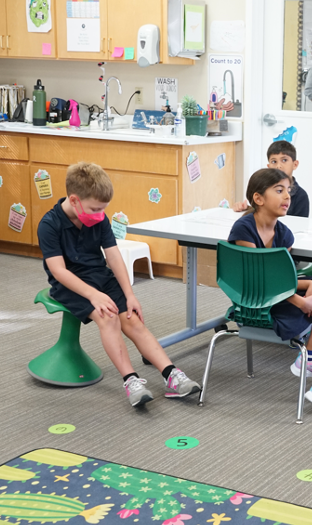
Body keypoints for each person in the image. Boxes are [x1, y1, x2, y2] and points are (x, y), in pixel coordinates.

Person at [37, 162, 202, 407]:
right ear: (74, 201)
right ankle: (131, 381)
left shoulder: (99, 218)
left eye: (103, 209)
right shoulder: (49, 224)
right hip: (69, 284)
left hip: (99, 276)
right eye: (94, 208)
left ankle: (171, 375)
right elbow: (59, 271)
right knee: (109, 317)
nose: (99, 214)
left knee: (132, 318)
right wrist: (94, 296)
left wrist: (130, 294)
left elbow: (113, 256)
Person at [228, 169, 312, 414]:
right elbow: (259, 281)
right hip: (258, 303)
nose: (287, 197)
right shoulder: (244, 230)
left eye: (288, 191)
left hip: (278, 294)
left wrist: (310, 285)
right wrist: (300, 302)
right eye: (279, 190)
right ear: (258, 198)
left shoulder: (284, 234)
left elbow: (284, 278)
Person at [232, 140, 310, 217]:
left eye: (284, 160)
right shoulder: (263, 189)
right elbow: (259, 213)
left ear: (295, 164)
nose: (278, 166)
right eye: (274, 162)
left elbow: (300, 225)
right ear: (268, 166)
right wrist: (245, 209)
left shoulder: (301, 196)